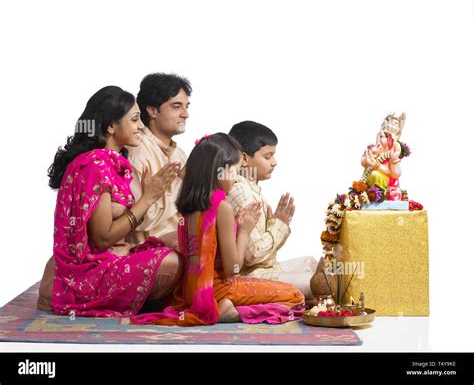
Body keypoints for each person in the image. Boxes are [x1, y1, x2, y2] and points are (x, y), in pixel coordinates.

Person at [37, 86, 183, 316]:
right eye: (135, 120)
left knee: (183, 240)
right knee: (172, 263)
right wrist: (147, 199)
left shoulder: (112, 165)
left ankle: (144, 299)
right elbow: (102, 238)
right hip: (91, 271)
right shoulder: (95, 167)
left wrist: (146, 199)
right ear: (111, 127)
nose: (142, 126)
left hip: (114, 256)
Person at [130, 133, 305, 326]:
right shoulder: (222, 207)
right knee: (295, 296)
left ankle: (227, 306)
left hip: (190, 290)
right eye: (235, 172)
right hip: (218, 289)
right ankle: (229, 312)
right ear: (220, 172)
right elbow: (233, 270)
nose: (236, 179)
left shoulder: (190, 206)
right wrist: (245, 230)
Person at [227, 121, 317, 298]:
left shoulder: (251, 189)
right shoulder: (241, 192)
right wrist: (279, 224)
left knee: (312, 263)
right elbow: (252, 255)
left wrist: (275, 224)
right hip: (249, 277)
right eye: (267, 157)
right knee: (317, 282)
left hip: (264, 269)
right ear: (244, 159)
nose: (274, 162)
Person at [125, 73, 191, 248]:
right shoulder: (137, 152)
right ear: (152, 111)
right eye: (177, 107)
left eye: (186, 106)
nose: (186, 114)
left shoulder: (180, 154)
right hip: (149, 248)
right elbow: (138, 221)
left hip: (182, 239)